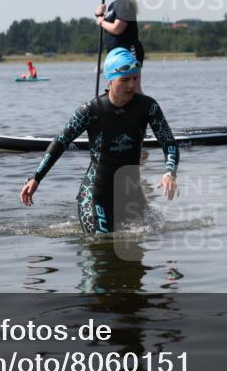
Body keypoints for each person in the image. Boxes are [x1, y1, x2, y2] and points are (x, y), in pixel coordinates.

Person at [20, 48, 178, 234]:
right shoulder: (90, 111)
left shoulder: (148, 107)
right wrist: (36, 178)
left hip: (130, 192)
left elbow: (169, 143)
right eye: (125, 80)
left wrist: (169, 172)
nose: (131, 86)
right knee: (103, 239)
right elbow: (61, 142)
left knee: (147, 242)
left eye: (135, 78)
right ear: (110, 80)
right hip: (97, 192)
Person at [95, 0, 144, 67]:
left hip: (128, 52)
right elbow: (108, 25)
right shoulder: (113, 5)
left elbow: (117, 29)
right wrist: (99, 14)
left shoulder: (125, 3)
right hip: (115, 53)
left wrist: (101, 21)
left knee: (128, 83)